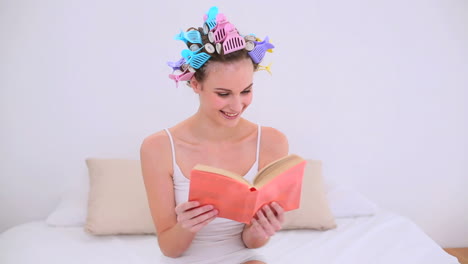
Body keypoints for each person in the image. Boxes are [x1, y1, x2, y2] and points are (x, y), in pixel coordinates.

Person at [140, 6, 288, 264]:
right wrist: (187, 225)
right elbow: (169, 248)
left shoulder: (271, 143)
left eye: (246, 91)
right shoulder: (160, 147)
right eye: (223, 94)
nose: (237, 105)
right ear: (195, 84)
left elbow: (251, 243)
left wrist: (260, 229)